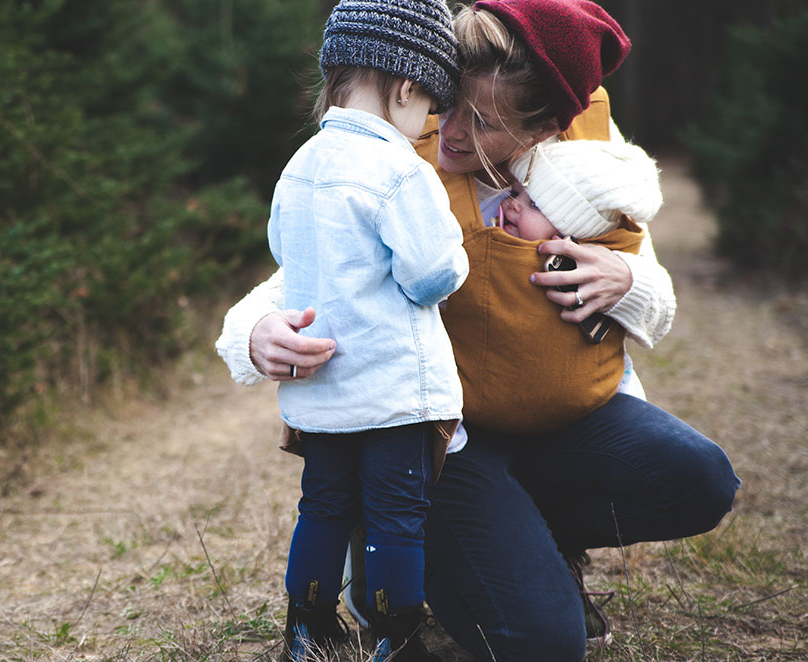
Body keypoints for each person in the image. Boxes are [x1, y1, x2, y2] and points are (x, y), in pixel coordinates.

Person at [216, 1, 740, 660]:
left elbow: (657, 300)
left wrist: (627, 282)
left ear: (545, 127)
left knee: (700, 479)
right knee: (544, 645)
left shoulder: (587, 172)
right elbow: (300, 274)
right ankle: (384, 541)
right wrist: (256, 330)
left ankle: (531, 541)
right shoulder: (398, 159)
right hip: (445, 442)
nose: (452, 132)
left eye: (484, 122)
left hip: (563, 424)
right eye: (449, 106)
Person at [267, 2, 468, 660]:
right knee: (394, 518)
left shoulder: (299, 165)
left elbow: (286, 255)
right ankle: (395, 634)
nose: (427, 127)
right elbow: (433, 271)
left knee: (322, 506)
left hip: (323, 391)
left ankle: (308, 626)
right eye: (429, 108)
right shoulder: (399, 170)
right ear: (406, 88)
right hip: (391, 391)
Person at [446, 138, 662, 437]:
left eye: (533, 204)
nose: (511, 204)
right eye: (515, 192)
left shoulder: (592, 252)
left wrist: (629, 280)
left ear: (570, 235)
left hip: (590, 407)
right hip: (481, 413)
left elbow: (659, 312)